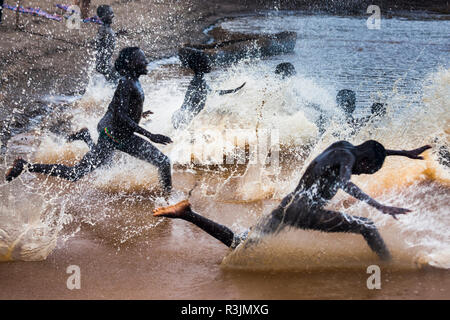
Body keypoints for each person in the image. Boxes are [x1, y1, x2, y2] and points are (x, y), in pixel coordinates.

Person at [153, 140, 431, 261]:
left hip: (290, 204)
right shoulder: (348, 159)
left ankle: (187, 213)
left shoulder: (344, 147)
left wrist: (402, 153)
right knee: (368, 226)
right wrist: (379, 205)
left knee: (240, 244)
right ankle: (389, 266)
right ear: (366, 161)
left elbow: (372, 147)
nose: (363, 173)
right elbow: (346, 181)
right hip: (305, 209)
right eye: (367, 170)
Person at [6, 47, 173, 194]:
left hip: (118, 136)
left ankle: (85, 137)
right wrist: (151, 135)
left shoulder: (133, 82)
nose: (146, 61)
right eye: (141, 58)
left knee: (109, 165)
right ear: (130, 63)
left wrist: (139, 113)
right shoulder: (127, 83)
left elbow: (120, 109)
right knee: (75, 174)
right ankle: (25, 166)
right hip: (114, 137)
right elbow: (120, 116)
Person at [171, 49, 246, 129]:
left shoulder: (199, 80)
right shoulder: (198, 82)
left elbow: (212, 92)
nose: (209, 63)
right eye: (206, 61)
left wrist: (233, 90)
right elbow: (205, 95)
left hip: (181, 116)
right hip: (183, 118)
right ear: (200, 65)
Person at [95, 5, 120, 84]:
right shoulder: (103, 29)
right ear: (103, 17)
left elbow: (108, 36)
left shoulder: (107, 28)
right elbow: (99, 39)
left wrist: (117, 33)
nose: (113, 15)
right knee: (116, 80)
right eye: (110, 13)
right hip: (103, 64)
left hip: (105, 63)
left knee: (114, 80)